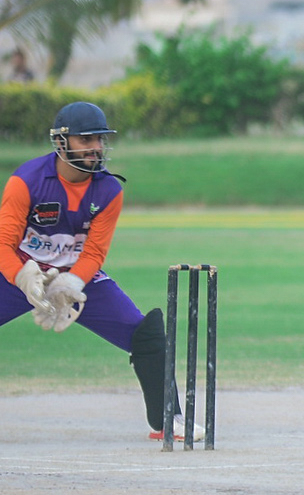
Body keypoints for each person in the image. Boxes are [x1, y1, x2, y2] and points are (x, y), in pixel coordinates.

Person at [0, 101, 202, 442]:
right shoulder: (26, 181)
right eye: (86, 139)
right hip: (21, 272)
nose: (96, 147)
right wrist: (22, 278)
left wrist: (71, 282)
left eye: (100, 139)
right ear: (61, 142)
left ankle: (169, 420)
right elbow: (3, 244)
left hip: (76, 275)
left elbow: (94, 251)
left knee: (146, 335)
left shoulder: (109, 189)